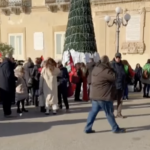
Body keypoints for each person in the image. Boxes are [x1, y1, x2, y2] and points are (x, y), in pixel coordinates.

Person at [84, 55, 125, 134]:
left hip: (95, 95)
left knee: (93, 112)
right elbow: (114, 77)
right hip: (104, 96)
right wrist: (112, 68)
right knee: (109, 112)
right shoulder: (106, 70)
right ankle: (115, 128)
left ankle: (87, 128)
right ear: (107, 62)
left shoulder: (96, 68)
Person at [110, 53, 126, 118]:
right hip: (114, 85)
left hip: (121, 85)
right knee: (112, 100)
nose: (118, 58)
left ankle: (119, 113)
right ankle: (111, 114)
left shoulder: (122, 65)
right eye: (117, 57)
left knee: (120, 100)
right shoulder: (112, 65)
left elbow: (123, 74)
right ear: (115, 57)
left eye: (119, 57)